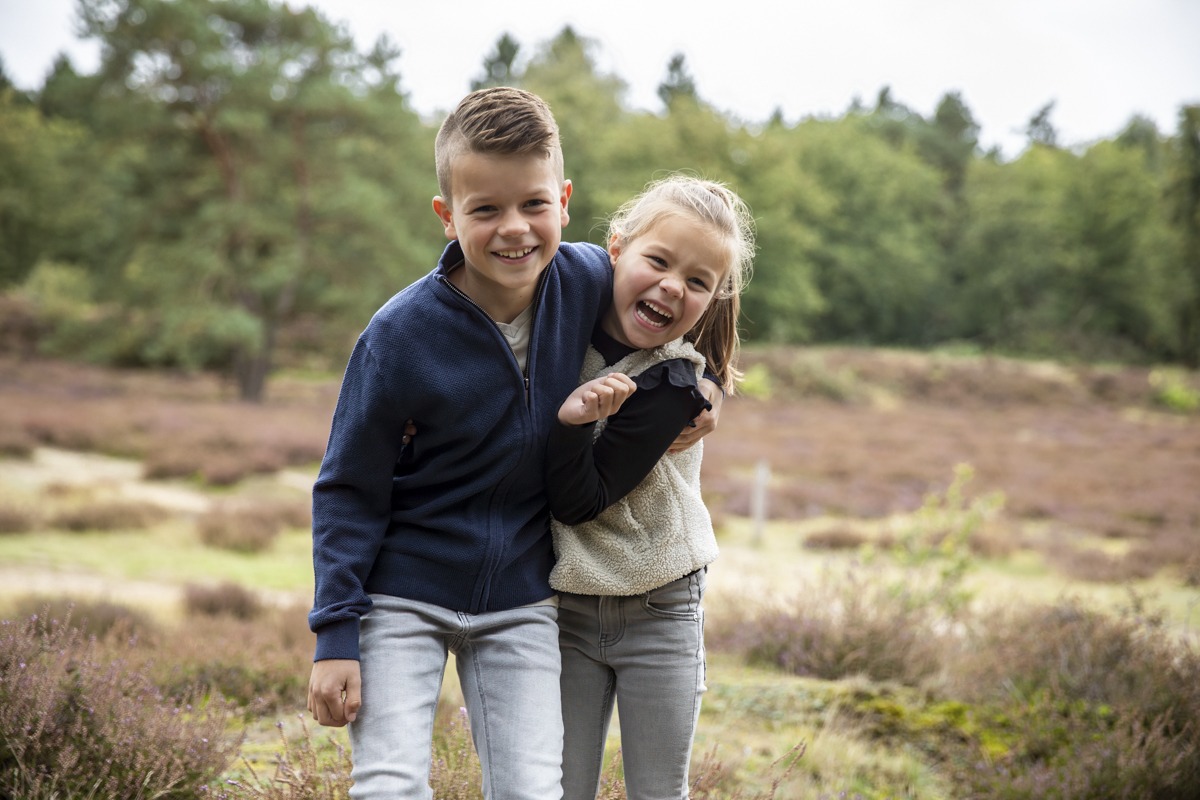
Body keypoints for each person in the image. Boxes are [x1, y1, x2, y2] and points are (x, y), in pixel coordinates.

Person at [305, 88, 720, 800]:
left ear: (562, 199)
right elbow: (348, 486)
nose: (515, 230)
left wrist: (702, 390)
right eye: (485, 210)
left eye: (533, 205)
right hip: (403, 591)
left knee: (533, 791)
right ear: (447, 216)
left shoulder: (588, 277)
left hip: (525, 598)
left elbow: (679, 287)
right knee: (389, 786)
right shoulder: (399, 336)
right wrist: (335, 635)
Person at [545, 174, 755, 800]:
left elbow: (579, 501)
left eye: (697, 282)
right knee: (557, 787)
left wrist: (569, 424)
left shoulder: (674, 384)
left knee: (659, 792)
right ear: (615, 248)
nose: (672, 286)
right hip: (565, 608)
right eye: (658, 261)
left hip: (660, 607)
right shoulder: (560, 327)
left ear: (714, 298)